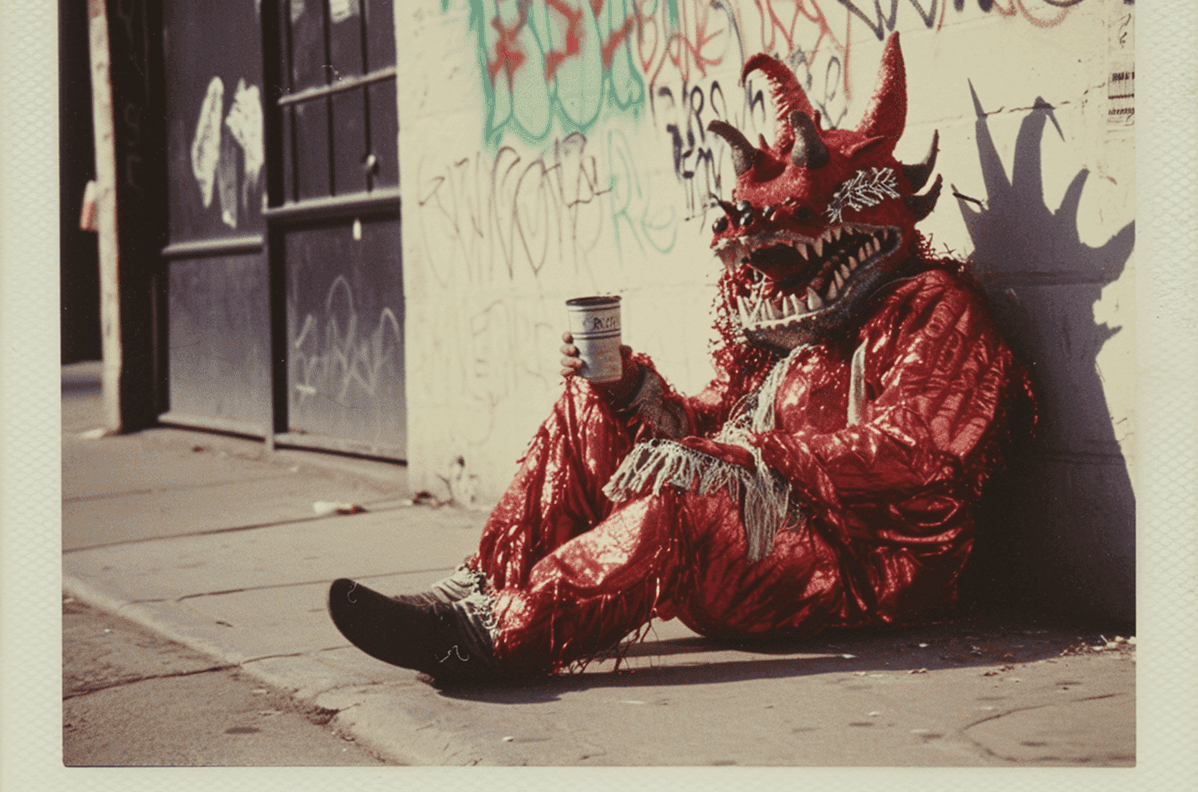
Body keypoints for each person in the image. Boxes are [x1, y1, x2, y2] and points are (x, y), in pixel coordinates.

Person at [327, 32, 1033, 685]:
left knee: (682, 505)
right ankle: (482, 585)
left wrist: (752, 460)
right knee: (587, 404)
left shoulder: (934, 306)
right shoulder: (784, 328)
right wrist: (626, 386)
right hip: (755, 533)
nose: (767, 270)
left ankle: (489, 638)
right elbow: (713, 425)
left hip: (855, 568)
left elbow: (915, 456)